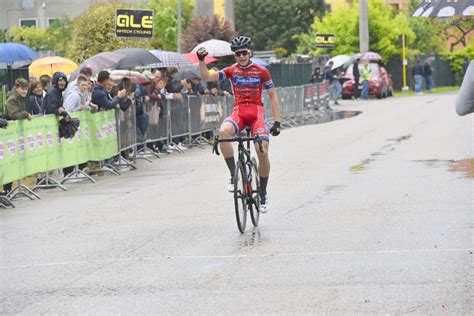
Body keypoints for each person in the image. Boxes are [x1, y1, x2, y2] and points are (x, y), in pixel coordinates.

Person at [197, 35, 281, 213]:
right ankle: (233, 174)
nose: (241, 56)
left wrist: (277, 121)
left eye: (244, 52)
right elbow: (206, 76)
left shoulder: (261, 71)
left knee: (262, 151)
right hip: (239, 112)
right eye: (237, 54)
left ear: (249, 52)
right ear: (234, 55)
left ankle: (263, 193)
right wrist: (201, 60)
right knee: (223, 132)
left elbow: (273, 96)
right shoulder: (230, 71)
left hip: (256, 112)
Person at [2, 79, 32, 195]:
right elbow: (13, 115)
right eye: (23, 88)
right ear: (17, 88)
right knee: (9, 162)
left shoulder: (20, 98)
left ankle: (8, 189)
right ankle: (7, 189)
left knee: (13, 162)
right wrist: (25, 114)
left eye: (26, 88)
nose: (25, 91)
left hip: (14, 134)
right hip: (8, 133)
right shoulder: (13, 99)